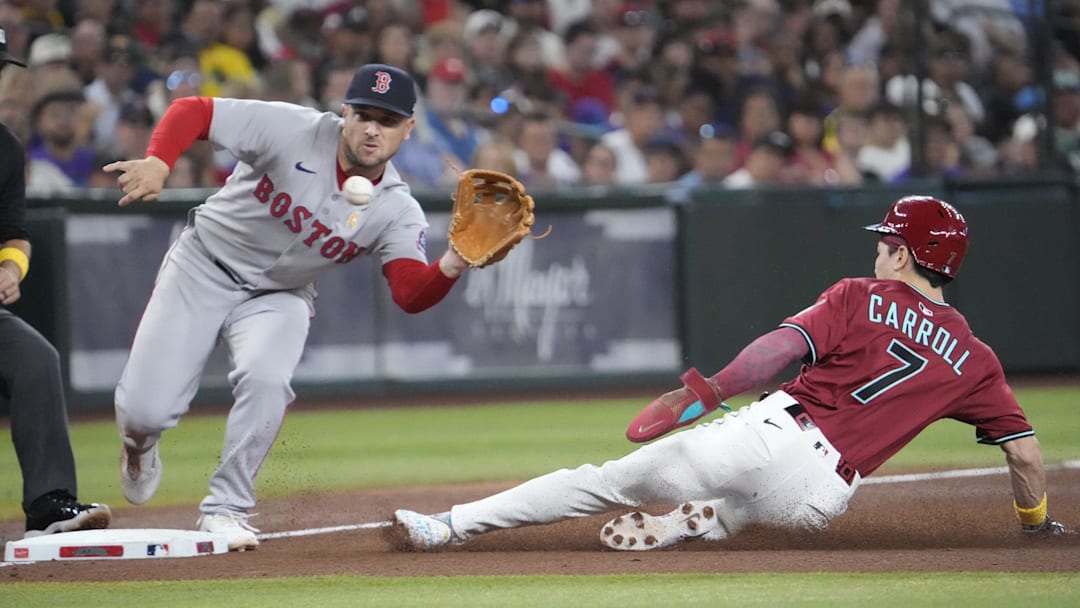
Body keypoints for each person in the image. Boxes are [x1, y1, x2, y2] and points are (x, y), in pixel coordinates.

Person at [392, 195, 1070, 551]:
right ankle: (699, 524)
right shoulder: (977, 361)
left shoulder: (857, 295)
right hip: (819, 501)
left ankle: (448, 526)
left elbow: (778, 352)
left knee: (598, 485)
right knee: (739, 510)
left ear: (909, 252)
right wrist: (1035, 523)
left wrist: (712, 389)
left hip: (772, 435)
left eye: (889, 242)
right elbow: (1027, 456)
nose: (881, 250)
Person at [104, 63, 480, 552]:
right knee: (143, 412)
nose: (371, 129)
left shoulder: (395, 208)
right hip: (203, 266)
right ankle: (138, 447)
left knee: (268, 379)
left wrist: (453, 262)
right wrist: (159, 161)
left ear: (408, 129)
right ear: (343, 112)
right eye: (363, 114)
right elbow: (193, 110)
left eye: (386, 120)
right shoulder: (291, 127)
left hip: (282, 294)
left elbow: (408, 293)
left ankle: (226, 507)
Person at [0, 26, 112, 538]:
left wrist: (10, 269)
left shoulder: (4, 147)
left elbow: (15, 233)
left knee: (35, 357)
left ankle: (48, 504)